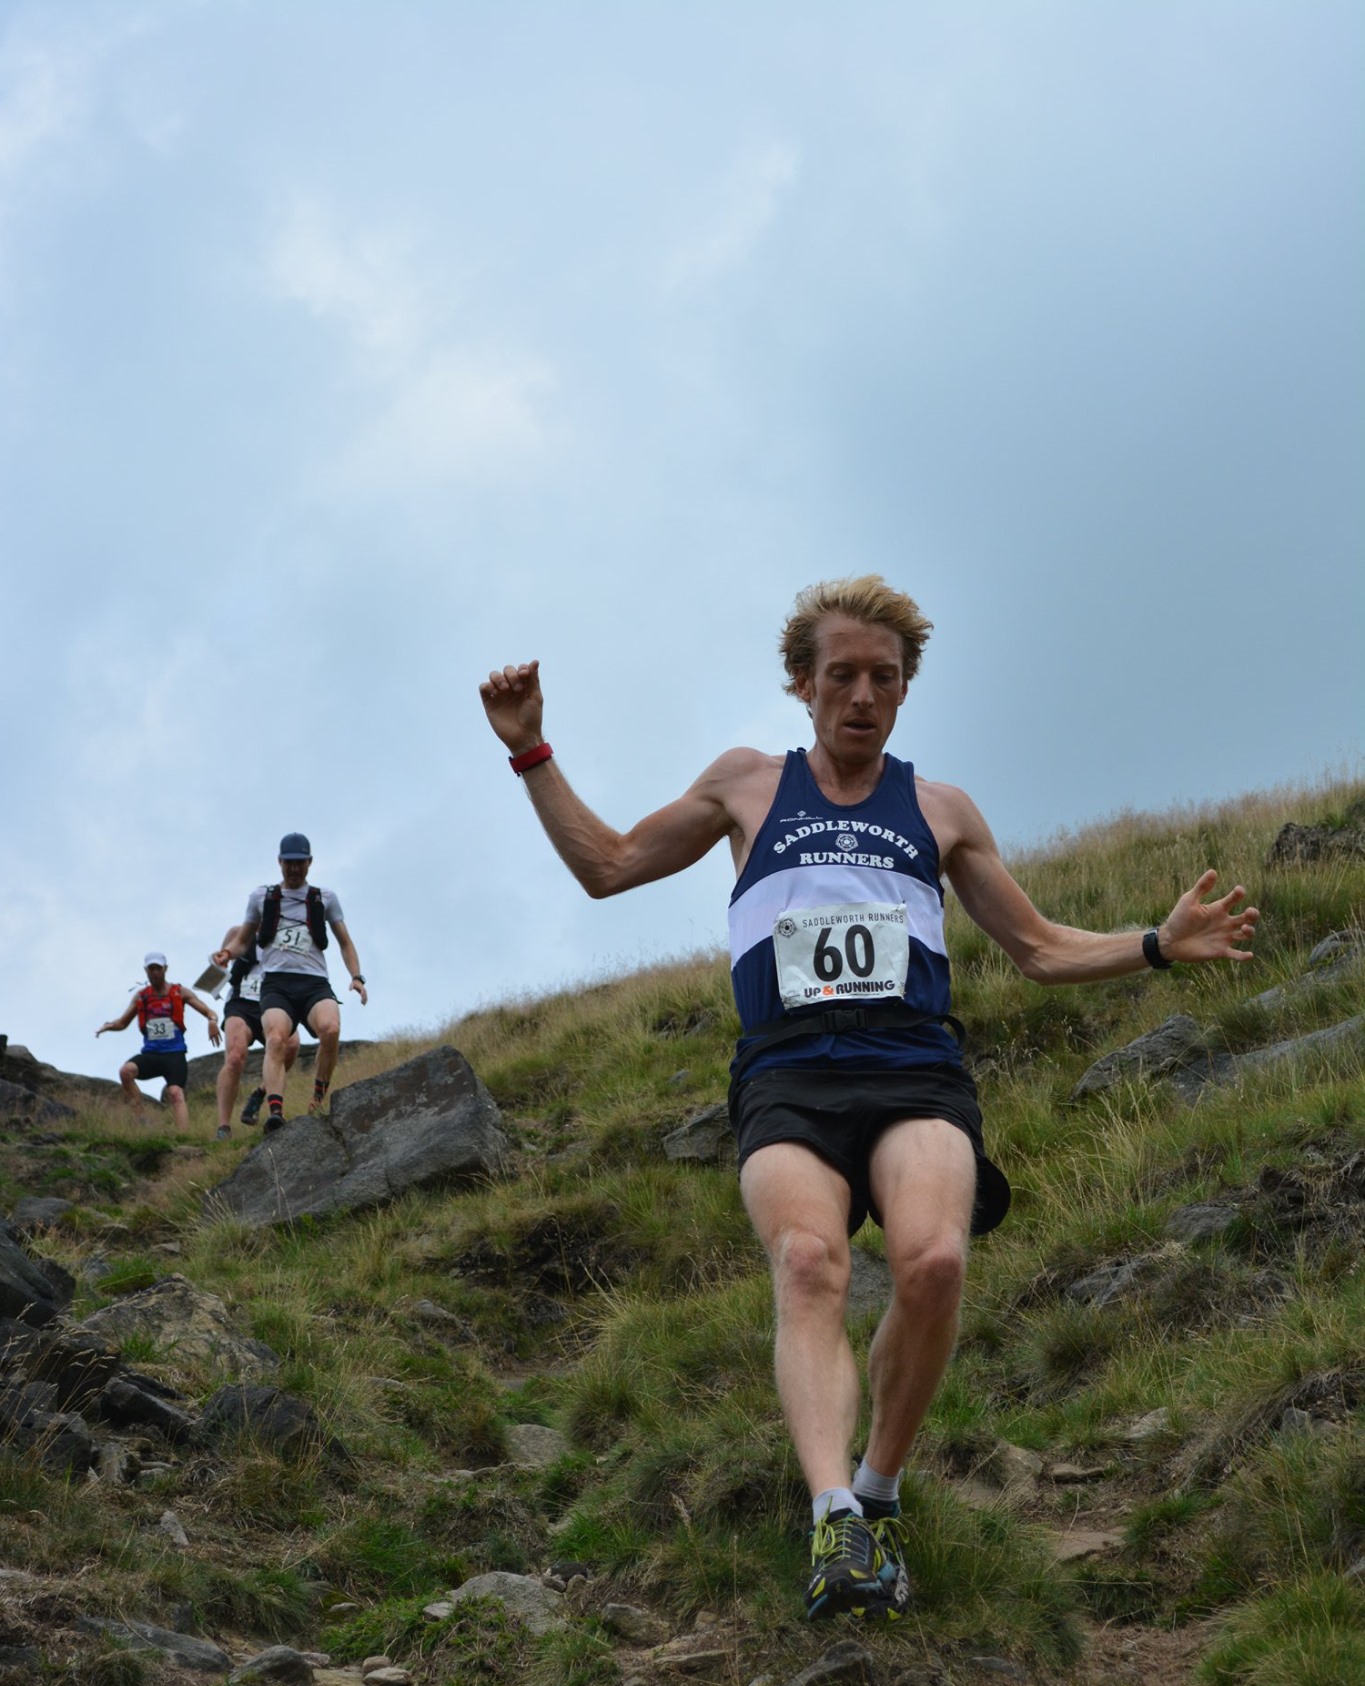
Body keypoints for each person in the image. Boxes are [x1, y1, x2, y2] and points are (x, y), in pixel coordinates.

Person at [479, 574, 1260, 1623]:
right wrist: (531, 750)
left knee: (933, 1261)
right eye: (840, 674)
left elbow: (1035, 947)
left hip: (913, 1068)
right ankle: (833, 1512)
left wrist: (1159, 944)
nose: (861, 694)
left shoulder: (939, 809)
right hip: (788, 1074)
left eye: (883, 678)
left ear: (904, 690)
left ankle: (881, 1488)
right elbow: (609, 864)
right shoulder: (749, 786)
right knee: (809, 1261)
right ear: (801, 682)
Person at [214, 833, 367, 1133]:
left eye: (300, 863)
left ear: (309, 863)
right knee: (276, 1039)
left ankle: (318, 1097)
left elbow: (345, 942)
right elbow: (244, 940)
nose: (294, 869)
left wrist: (356, 977)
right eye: (289, 863)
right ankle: (275, 1113)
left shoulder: (325, 899)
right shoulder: (262, 898)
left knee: (331, 1029)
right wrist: (228, 953)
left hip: (314, 983)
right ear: (279, 862)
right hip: (277, 985)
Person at [96, 952, 222, 1134]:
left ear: (165, 969)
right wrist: (108, 1026)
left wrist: (212, 1021)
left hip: (174, 1055)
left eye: (158, 968)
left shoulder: (180, 992)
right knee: (126, 1072)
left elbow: (209, 1011)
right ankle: (141, 1120)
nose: (155, 972)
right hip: (151, 1055)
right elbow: (122, 1023)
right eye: (151, 969)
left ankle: (183, 1138)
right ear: (146, 971)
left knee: (175, 1094)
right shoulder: (141, 997)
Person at [210, 925, 301, 1140]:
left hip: (274, 999)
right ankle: (223, 1127)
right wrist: (211, 1012)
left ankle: (260, 1093)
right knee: (234, 1057)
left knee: (292, 1045)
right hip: (241, 1001)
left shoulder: (288, 933)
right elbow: (220, 967)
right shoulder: (238, 933)